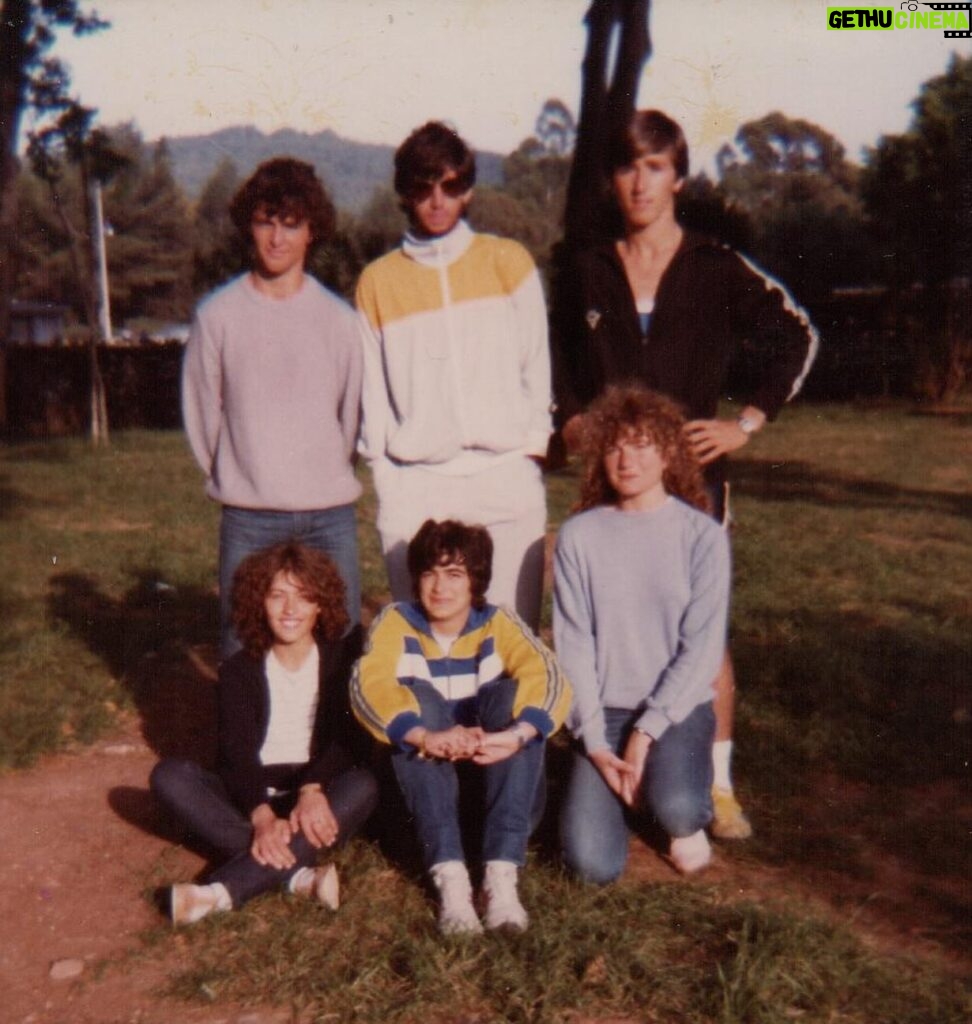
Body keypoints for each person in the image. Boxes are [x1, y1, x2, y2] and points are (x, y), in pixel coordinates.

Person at [552, 109, 819, 839]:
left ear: (679, 176)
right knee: (607, 623)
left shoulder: (712, 265)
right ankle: (605, 754)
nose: (640, 183)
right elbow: (552, 359)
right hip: (611, 481)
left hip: (694, 485)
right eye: (627, 167)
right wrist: (570, 418)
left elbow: (799, 334)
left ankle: (719, 785)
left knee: (705, 633)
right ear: (613, 178)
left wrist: (748, 421)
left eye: (655, 167)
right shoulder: (587, 268)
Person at [355, 121, 552, 632]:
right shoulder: (378, 281)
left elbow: (537, 365)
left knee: (512, 643)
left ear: (466, 188)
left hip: (505, 476)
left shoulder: (507, 261)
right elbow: (372, 395)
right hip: (417, 484)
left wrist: (529, 449)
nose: (437, 201)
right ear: (405, 193)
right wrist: (385, 474)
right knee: (425, 647)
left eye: (449, 186)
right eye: (423, 188)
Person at [351, 519, 571, 935]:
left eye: (455, 574)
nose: (440, 587)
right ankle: (451, 882)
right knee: (417, 697)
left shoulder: (499, 621)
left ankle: (499, 880)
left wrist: (515, 736)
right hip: (428, 806)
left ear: (475, 581)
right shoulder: (396, 621)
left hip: (500, 798)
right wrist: (423, 735)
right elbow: (369, 684)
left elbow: (548, 676)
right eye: (430, 573)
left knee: (511, 698)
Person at [182, 157, 364, 658]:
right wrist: (242, 475)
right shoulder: (217, 316)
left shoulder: (339, 320)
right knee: (242, 644)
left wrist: (319, 474)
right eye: (266, 222)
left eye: (291, 224)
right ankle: (249, 739)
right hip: (250, 516)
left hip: (328, 514)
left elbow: (350, 417)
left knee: (342, 639)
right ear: (249, 227)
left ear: (312, 232)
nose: (277, 238)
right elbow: (202, 415)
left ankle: (332, 740)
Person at [554, 386, 730, 882]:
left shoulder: (702, 535)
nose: (627, 458)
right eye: (614, 446)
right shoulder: (580, 535)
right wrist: (592, 740)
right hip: (604, 713)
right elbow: (574, 644)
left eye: (642, 444)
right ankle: (632, 790)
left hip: (676, 710)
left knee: (676, 808)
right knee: (591, 865)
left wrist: (647, 731)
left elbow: (702, 650)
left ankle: (673, 801)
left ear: (668, 452)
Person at [151, 543, 378, 925]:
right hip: (252, 794)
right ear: (260, 603)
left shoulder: (341, 657)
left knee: (365, 785)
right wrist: (261, 816)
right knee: (169, 776)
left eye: (303, 597)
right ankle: (297, 875)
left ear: (321, 604)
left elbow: (349, 738)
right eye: (278, 596)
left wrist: (312, 790)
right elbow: (235, 753)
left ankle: (217, 893)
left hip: (316, 790)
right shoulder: (240, 669)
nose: (290, 610)